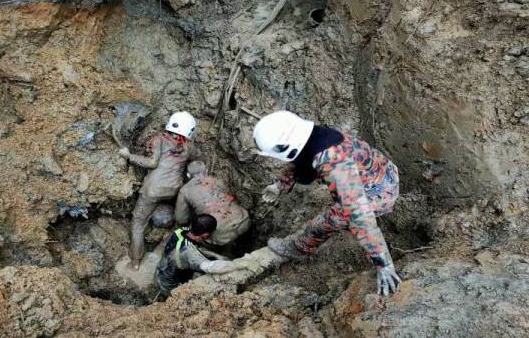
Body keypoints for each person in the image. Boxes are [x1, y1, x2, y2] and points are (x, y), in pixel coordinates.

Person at [252, 110, 402, 296]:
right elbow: (301, 163)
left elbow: (360, 218)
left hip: (379, 191)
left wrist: (384, 264)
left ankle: (299, 248)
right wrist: (279, 185)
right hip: (379, 170)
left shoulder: (333, 165)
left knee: (327, 221)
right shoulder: (313, 136)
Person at [119, 111, 200, 270]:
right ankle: (164, 245)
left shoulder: (159, 139)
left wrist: (129, 156)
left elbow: (151, 162)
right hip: (175, 189)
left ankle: (135, 262)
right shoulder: (189, 146)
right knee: (180, 219)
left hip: (153, 190)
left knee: (138, 223)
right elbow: (199, 157)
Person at [155, 214, 256, 294]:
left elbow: (195, 247)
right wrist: (239, 264)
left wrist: (217, 256)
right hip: (169, 284)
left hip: (162, 269)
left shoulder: (181, 231)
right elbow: (210, 267)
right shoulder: (189, 252)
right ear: (205, 235)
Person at [174, 161, 251, 247]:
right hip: (244, 220)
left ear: (188, 175)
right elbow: (230, 196)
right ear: (206, 171)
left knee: (197, 234)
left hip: (222, 235)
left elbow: (181, 219)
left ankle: (220, 251)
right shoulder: (218, 180)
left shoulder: (185, 190)